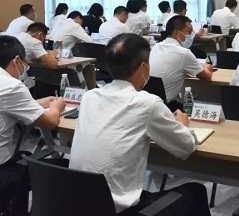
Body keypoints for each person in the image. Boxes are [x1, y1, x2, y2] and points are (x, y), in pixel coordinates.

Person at [69, 34, 209, 216]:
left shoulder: (89, 97)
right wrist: (182, 125)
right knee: (196, 191)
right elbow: (186, 146)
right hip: (118, 210)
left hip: (78, 203)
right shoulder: (147, 103)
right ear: (144, 67)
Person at [0, 36, 65, 215]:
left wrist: (37, 103)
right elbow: (50, 121)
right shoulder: (11, 85)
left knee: (25, 156)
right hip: (2, 170)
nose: (24, 69)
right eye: (25, 64)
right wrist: (56, 107)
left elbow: (6, 106)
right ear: (16, 61)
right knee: (38, 168)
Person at [149, 16, 212, 111]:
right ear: (176, 33)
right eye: (189, 32)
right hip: (166, 107)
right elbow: (207, 77)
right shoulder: (183, 53)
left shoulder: (156, 47)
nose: (191, 36)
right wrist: (207, 66)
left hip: (150, 102)